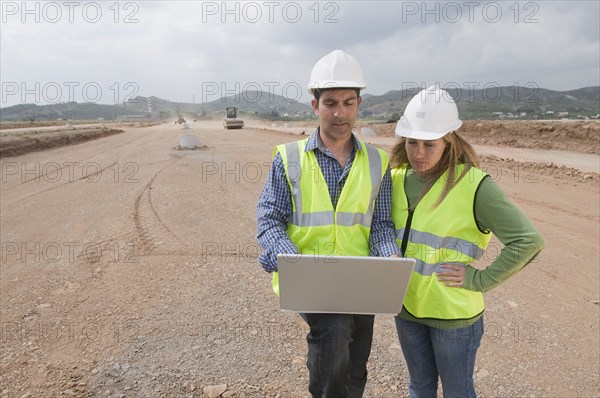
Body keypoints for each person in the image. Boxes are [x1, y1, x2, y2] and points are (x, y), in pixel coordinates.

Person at [256, 50, 400, 397]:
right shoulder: (289, 158)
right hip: (312, 277)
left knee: (355, 361)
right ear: (314, 106)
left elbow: (380, 225)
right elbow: (269, 219)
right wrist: (293, 261)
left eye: (348, 103)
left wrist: (390, 258)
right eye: (331, 102)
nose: (340, 112)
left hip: (360, 278)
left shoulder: (379, 163)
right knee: (333, 332)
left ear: (359, 104)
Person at [390, 86, 544, 398]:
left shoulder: (474, 185)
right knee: (419, 387)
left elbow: (528, 241)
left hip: (454, 319)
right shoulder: (394, 178)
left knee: (458, 391)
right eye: (412, 142)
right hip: (406, 310)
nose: (418, 153)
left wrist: (480, 278)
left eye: (429, 144)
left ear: (449, 141)